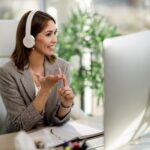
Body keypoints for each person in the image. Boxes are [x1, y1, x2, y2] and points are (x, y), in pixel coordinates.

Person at [0, 10, 74, 133]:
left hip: (51, 139)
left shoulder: (62, 66)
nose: (55, 39)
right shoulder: (7, 73)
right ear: (29, 39)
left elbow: (58, 121)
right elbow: (19, 126)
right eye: (48, 34)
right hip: (17, 140)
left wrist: (66, 105)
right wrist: (44, 90)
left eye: (55, 33)